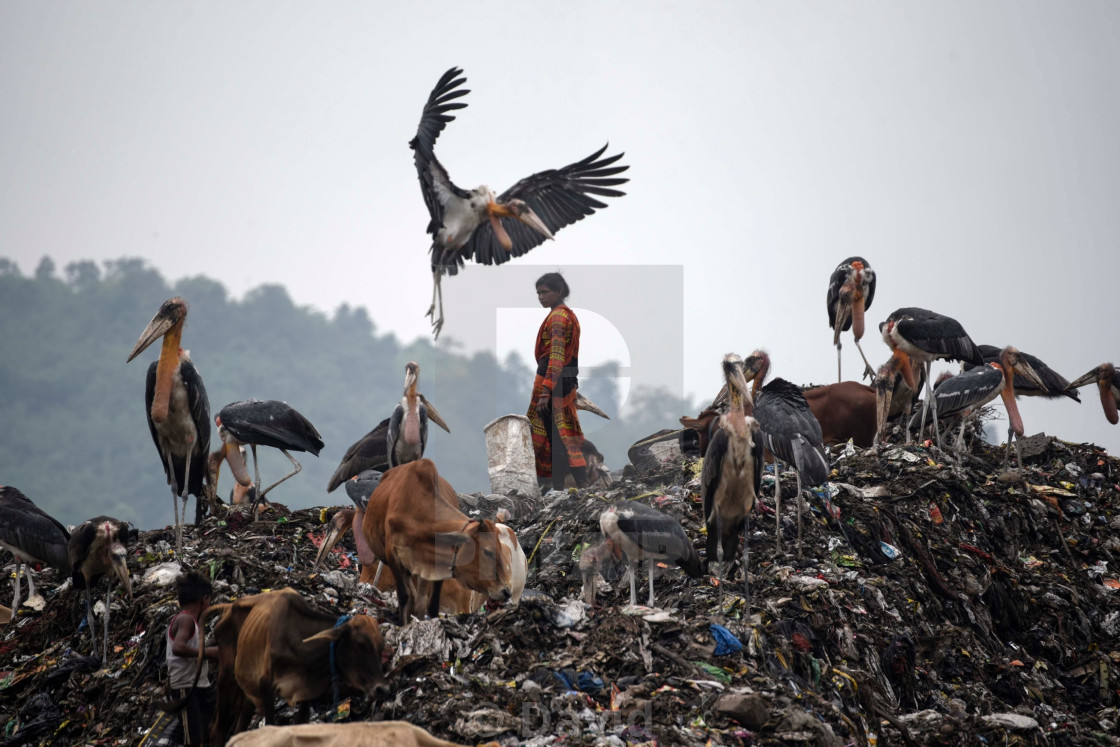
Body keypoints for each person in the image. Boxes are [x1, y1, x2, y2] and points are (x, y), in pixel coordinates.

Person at [527, 272, 588, 492]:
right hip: (564, 381)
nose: (540, 297)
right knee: (563, 436)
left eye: (545, 292)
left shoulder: (559, 317)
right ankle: (578, 485)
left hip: (554, 382)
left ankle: (561, 488)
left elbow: (556, 355)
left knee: (557, 437)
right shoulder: (566, 315)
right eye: (538, 293)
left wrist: (545, 392)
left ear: (559, 292)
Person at [165, 570, 219, 746]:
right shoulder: (186, 619)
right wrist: (209, 653)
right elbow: (179, 647)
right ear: (204, 599)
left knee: (210, 726)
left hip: (200, 685)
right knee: (193, 738)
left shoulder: (193, 623)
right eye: (210, 600)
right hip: (185, 687)